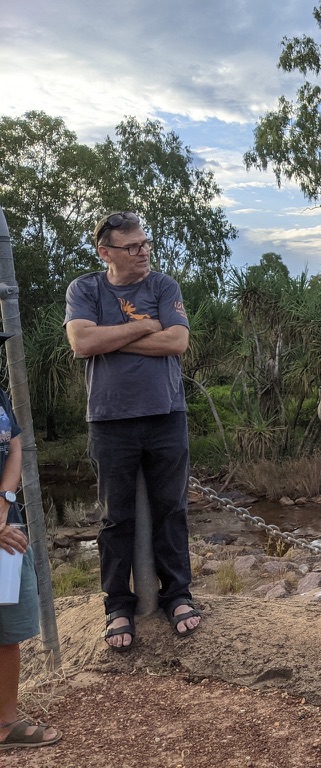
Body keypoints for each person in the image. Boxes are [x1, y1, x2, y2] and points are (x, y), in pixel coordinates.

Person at [64, 212, 201, 651]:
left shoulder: (163, 287)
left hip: (166, 414)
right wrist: (144, 326)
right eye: (132, 246)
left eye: (145, 244)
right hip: (109, 419)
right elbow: (81, 343)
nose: (143, 252)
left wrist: (111, 337)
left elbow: (176, 342)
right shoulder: (85, 289)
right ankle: (118, 606)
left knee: (171, 510)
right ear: (106, 252)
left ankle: (177, 595)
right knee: (115, 517)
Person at [0, 347, 61, 750]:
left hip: (6, 526)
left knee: (8, 630)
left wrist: (4, 503)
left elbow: (16, 444)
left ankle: (6, 725)